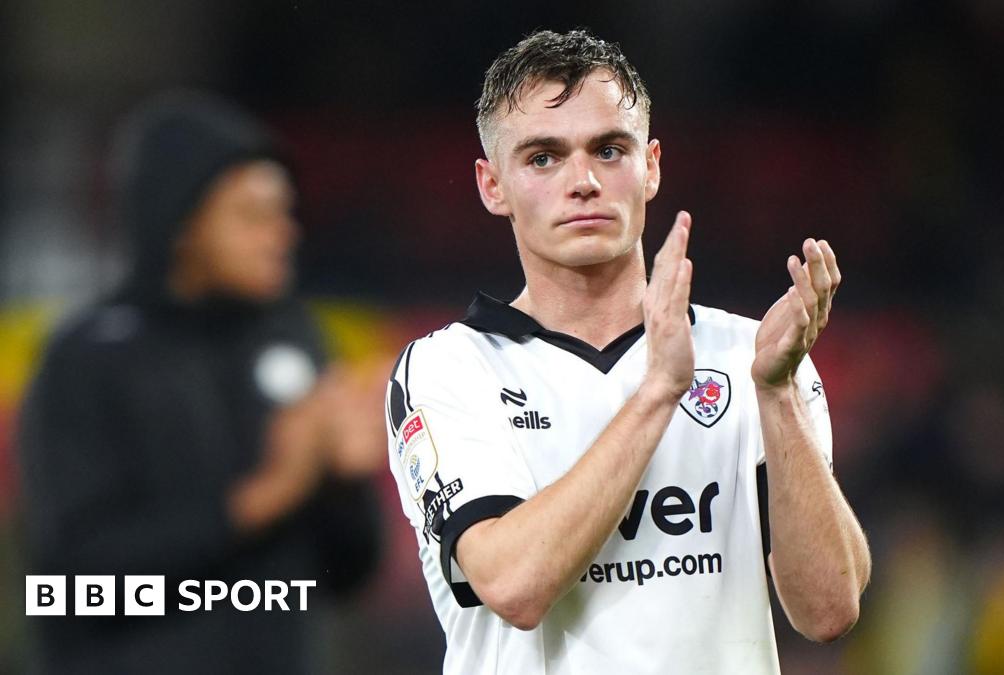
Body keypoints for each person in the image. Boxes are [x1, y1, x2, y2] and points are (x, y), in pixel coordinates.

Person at [385, 29, 871, 674]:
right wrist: (656, 392)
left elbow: (828, 612)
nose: (582, 181)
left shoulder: (754, 358)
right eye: (542, 158)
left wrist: (777, 394)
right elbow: (514, 587)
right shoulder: (450, 369)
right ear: (492, 184)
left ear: (653, 166)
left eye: (609, 150)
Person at [18, 91, 383, 675]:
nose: (282, 234)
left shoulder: (294, 338)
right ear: (180, 222)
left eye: (285, 212)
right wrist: (263, 497)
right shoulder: (87, 359)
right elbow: (70, 590)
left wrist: (342, 478)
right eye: (252, 214)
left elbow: (347, 577)